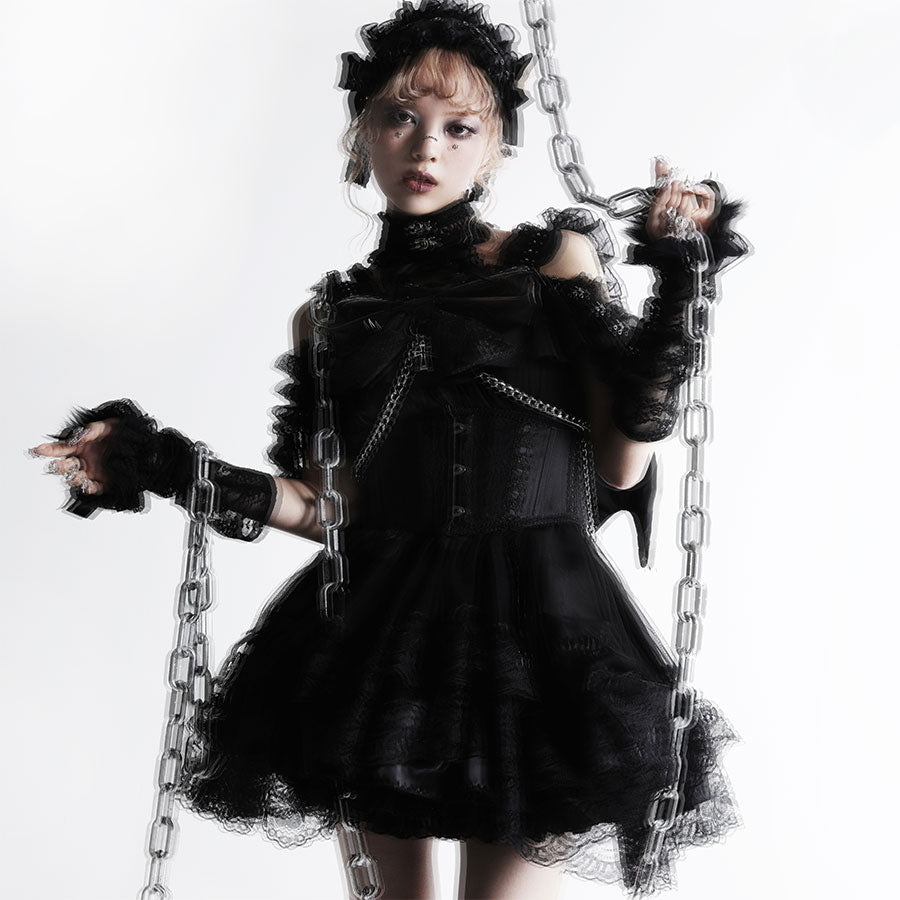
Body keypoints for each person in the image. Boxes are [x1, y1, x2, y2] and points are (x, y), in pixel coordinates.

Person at [29, 1, 748, 897]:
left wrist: (679, 279)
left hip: (543, 631)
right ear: (362, 133)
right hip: (382, 636)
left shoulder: (552, 263)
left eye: (459, 128)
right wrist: (167, 465)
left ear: (495, 149)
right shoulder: (328, 317)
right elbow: (327, 510)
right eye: (400, 117)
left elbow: (623, 458)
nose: (426, 147)